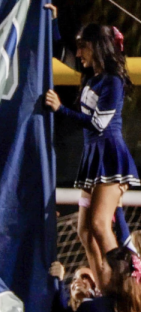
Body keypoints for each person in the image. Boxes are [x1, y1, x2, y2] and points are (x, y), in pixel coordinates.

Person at [46, 23, 139, 285]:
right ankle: (105, 289)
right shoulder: (92, 77)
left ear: (97, 46)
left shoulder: (112, 81)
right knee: (84, 232)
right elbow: (59, 52)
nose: (78, 54)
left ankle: (125, 289)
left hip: (110, 159)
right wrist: (53, 21)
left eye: (83, 47)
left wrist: (60, 109)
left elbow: (100, 124)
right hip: (94, 161)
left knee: (99, 224)